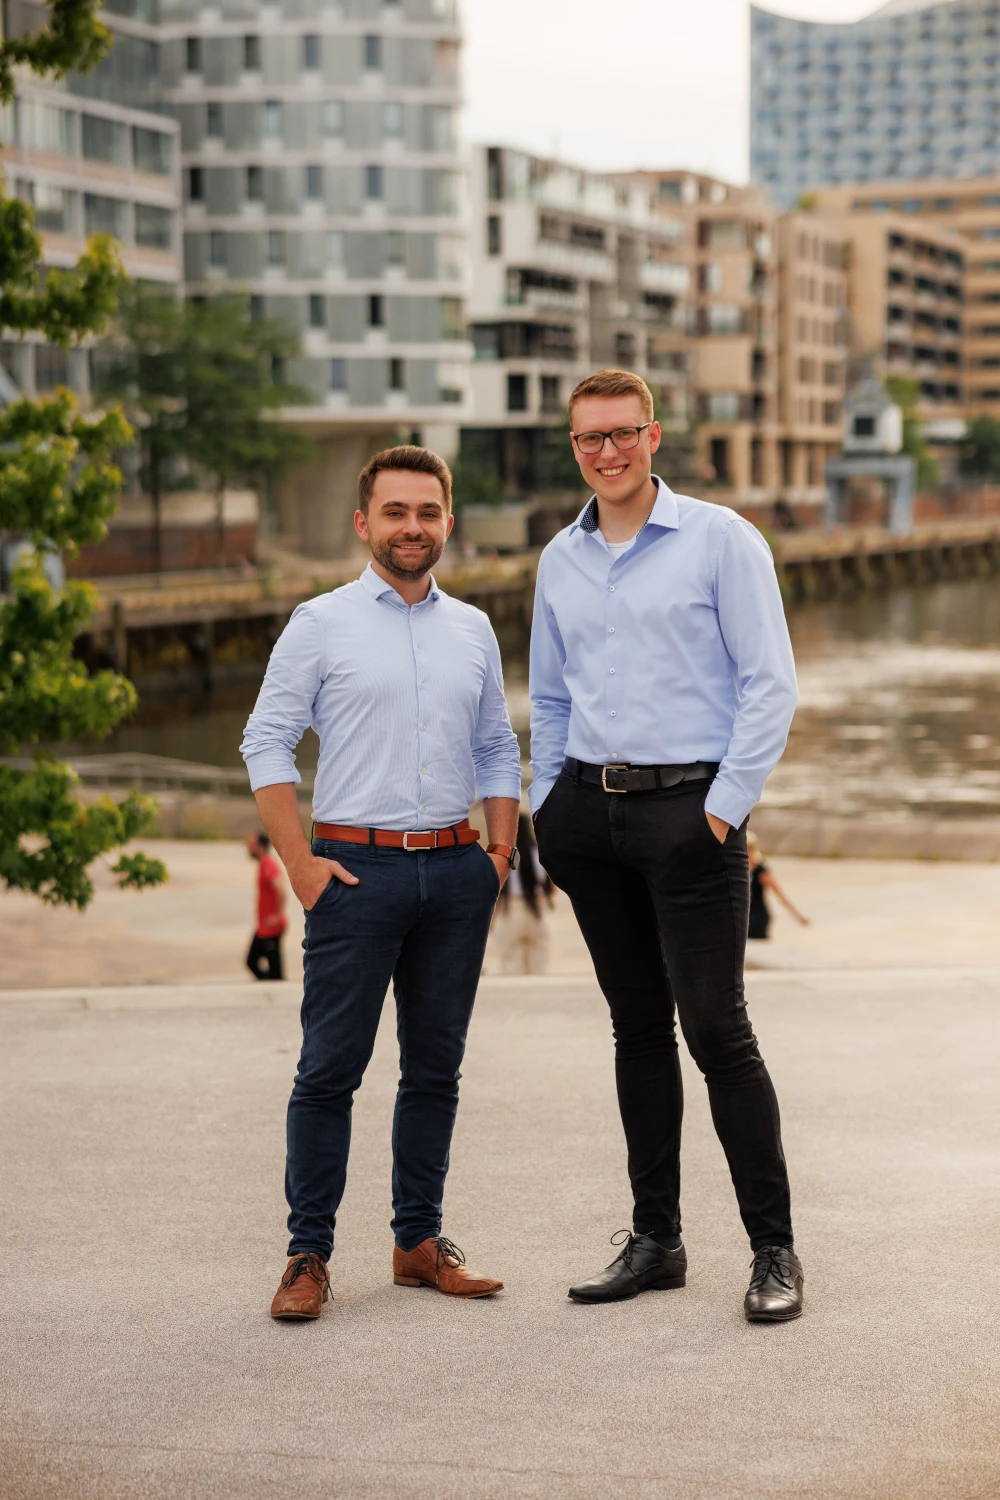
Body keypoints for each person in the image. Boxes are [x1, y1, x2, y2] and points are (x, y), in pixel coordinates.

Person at [530, 369, 804, 1322]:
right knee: (635, 1030)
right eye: (587, 439)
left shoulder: (721, 541)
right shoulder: (559, 559)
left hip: (691, 815)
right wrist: (545, 813)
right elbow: (552, 695)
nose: (605, 452)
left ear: (654, 437)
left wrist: (722, 812)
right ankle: (658, 1241)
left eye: (621, 434)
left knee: (717, 1031)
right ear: (574, 447)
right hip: (588, 822)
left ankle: (774, 1253)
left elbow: (771, 686)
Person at [240, 445, 521, 1321]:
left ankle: (417, 1243)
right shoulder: (318, 623)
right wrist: (302, 868)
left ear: (448, 521)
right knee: (329, 1071)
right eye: (395, 512)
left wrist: (499, 859)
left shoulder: (472, 629)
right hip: (353, 875)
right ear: (363, 523)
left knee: (435, 1069)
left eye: (428, 512)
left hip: (454, 868)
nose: (413, 527)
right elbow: (265, 742)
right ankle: (308, 1255)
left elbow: (495, 748)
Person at [492, 811, 555, 975]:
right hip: (535, 907)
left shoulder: (504, 855)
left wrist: (493, 917)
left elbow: (497, 887)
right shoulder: (537, 854)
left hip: (511, 908)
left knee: (510, 958)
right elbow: (550, 883)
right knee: (538, 956)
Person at [747, 832, 810, 940]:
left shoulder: (761, 870)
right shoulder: (741, 868)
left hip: (758, 917)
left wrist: (798, 916)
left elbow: (780, 894)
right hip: (744, 916)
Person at [245, 832, 287, 980]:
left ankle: (272, 990)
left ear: (260, 847)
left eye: (251, 845)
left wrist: (278, 915)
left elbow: (281, 889)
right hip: (264, 926)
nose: (248, 849)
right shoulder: (264, 863)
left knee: (255, 962)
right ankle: (269, 986)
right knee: (257, 963)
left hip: (271, 927)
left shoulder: (268, 864)